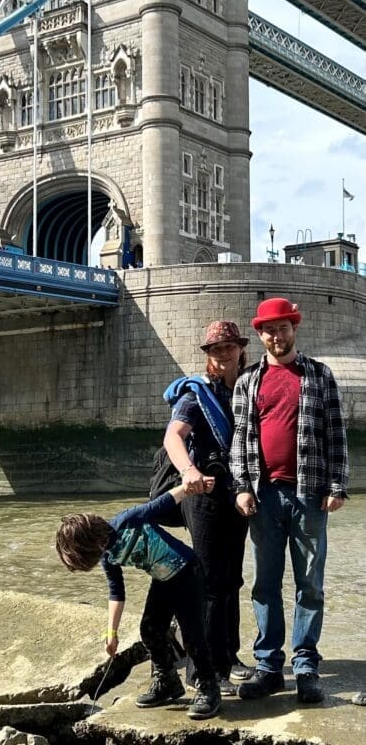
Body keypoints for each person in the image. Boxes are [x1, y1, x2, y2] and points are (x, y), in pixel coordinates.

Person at [230, 297, 349, 704]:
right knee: (265, 584)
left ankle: (305, 668)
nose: (276, 335)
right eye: (268, 329)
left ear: (294, 328)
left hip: (310, 495)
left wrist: (337, 485)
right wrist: (242, 486)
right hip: (263, 496)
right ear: (260, 335)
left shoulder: (318, 375)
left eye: (283, 327)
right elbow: (239, 441)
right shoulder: (248, 381)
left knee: (309, 585)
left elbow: (336, 434)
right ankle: (268, 668)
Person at [56, 480, 222, 720]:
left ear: (90, 541)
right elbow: (117, 592)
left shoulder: (128, 520)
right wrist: (111, 633)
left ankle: (209, 687)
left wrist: (192, 486)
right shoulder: (108, 556)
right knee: (150, 630)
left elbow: (163, 502)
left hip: (187, 571)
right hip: (162, 579)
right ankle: (167, 681)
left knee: (193, 635)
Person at [163, 320, 251, 695]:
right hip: (203, 495)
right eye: (216, 348)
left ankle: (229, 656)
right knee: (211, 581)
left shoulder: (247, 388)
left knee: (231, 579)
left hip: (237, 492)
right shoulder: (195, 394)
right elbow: (174, 436)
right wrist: (189, 471)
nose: (224, 353)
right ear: (208, 355)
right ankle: (204, 668)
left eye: (229, 346)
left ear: (240, 349)